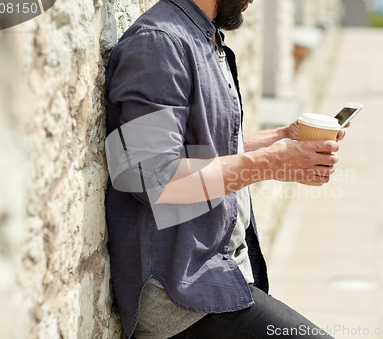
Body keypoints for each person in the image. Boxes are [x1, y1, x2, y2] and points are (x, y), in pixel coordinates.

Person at [104, 0, 346, 338]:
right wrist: (271, 162)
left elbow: (204, 143)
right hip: (181, 294)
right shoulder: (159, 42)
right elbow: (153, 176)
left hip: (216, 272)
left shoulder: (200, 35)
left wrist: (279, 138)